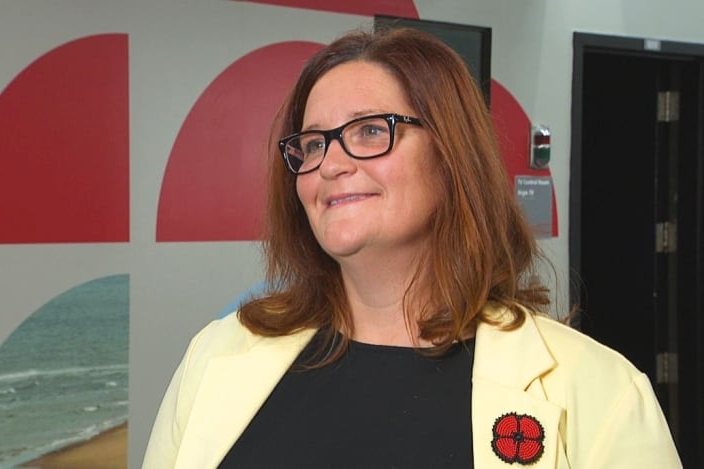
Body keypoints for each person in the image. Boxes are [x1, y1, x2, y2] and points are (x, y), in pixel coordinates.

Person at [142, 26, 681, 468]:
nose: (329, 164)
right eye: (312, 143)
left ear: (451, 157)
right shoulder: (215, 356)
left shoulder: (600, 392)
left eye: (371, 131)